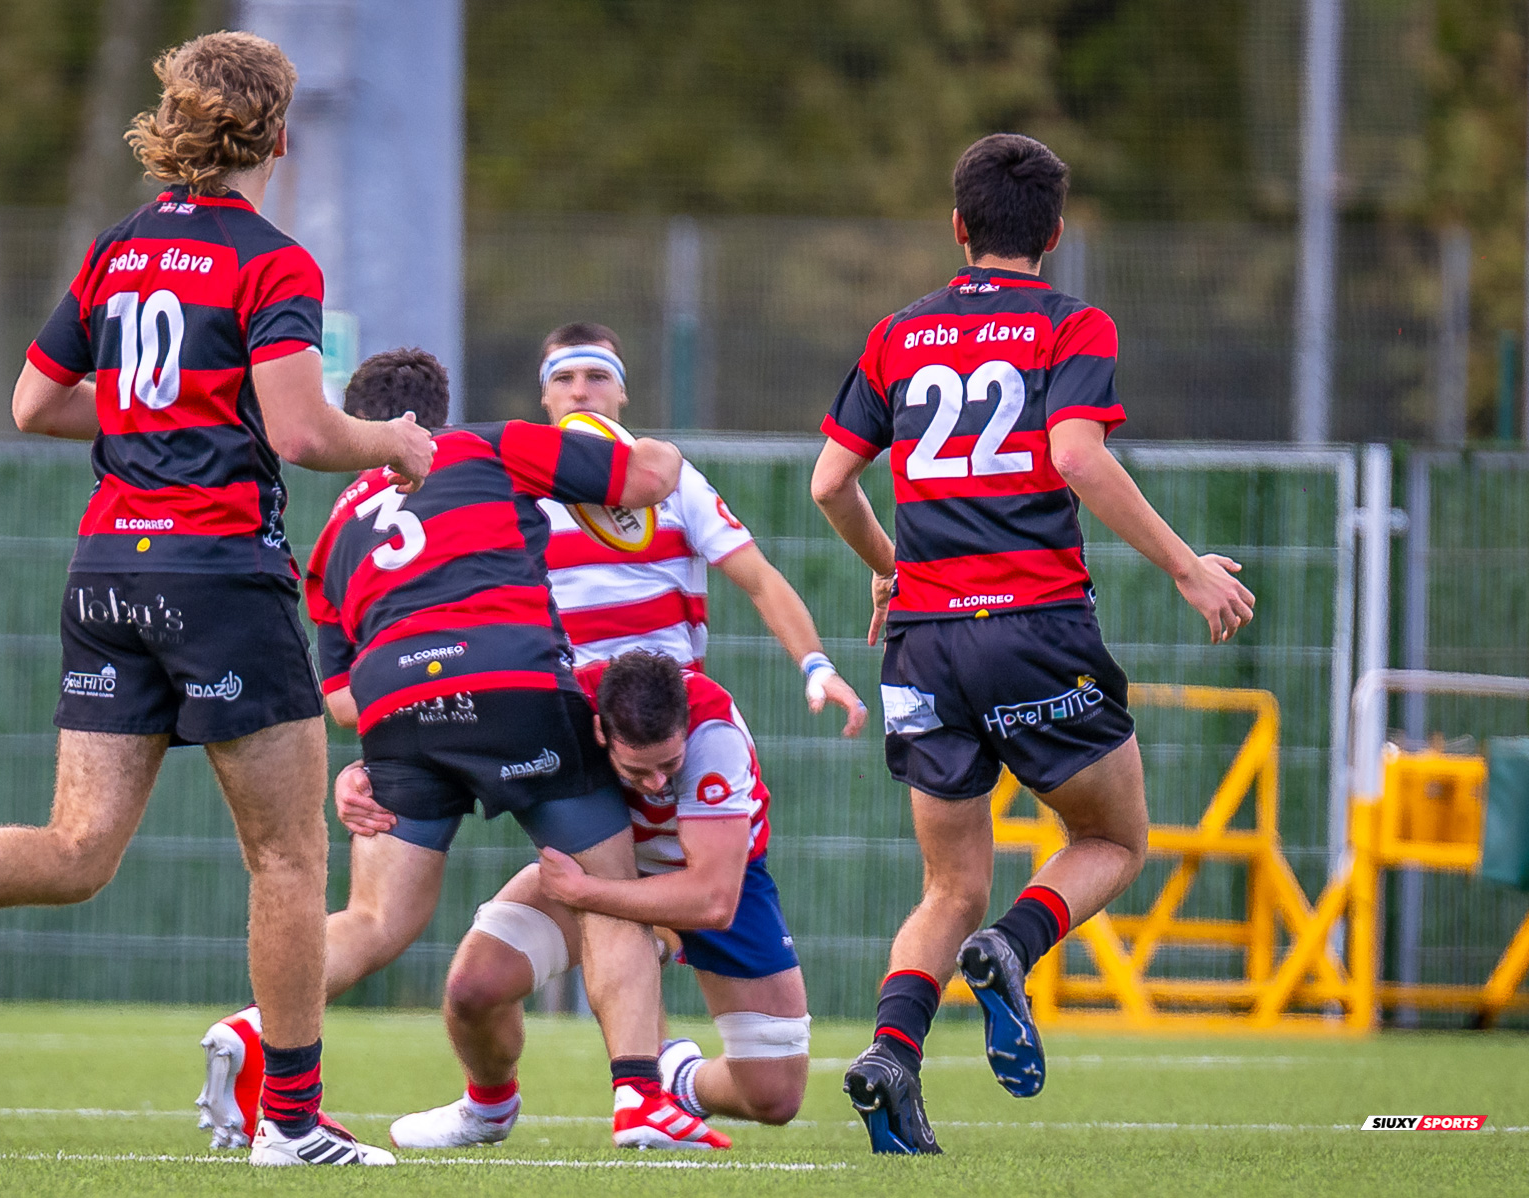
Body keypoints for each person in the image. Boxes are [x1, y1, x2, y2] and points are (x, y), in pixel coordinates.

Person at [0, 32, 432, 1170]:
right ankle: (290, 1124)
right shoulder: (275, 261)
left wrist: (153, 417)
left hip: (108, 573)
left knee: (78, 847)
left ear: (178, 125)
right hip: (219, 576)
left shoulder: (119, 250)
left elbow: (37, 404)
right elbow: (302, 432)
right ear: (278, 135)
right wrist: (395, 440)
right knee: (287, 858)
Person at [809, 133, 1256, 1156]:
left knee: (945, 883)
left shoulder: (896, 333)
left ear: (958, 226)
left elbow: (830, 482)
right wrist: (1187, 566)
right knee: (1111, 841)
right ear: (1054, 234)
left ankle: (889, 1052)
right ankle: (1010, 949)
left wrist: (890, 566)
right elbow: (1074, 454)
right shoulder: (1071, 323)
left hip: (923, 645)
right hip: (1034, 627)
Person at [194, 347, 728, 1152]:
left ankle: (256, 1027)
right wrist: (662, 449)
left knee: (375, 919)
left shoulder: (336, 531)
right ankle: (641, 1099)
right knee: (606, 888)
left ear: (355, 422)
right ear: (433, 415)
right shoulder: (484, 445)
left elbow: (340, 700)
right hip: (513, 681)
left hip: (400, 714)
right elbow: (647, 480)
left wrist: (379, 741)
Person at [327, 650, 806, 1149]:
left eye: (670, 764)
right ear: (600, 732)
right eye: (638, 771)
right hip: (599, 873)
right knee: (474, 990)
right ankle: (487, 1110)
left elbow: (713, 901)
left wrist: (586, 891)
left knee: (774, 1098)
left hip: (711, 884)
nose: (658, 783)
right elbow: (453, 742)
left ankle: (677, 1077)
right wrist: (365, 774)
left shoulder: (714, 735)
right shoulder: (559, 710)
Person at [534, 323, 866, 734]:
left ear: (622, 391)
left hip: (667, 712)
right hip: (570, 712)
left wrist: (817, 668)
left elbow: (760, 579)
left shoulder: (673, 482)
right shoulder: (519, 494)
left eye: (598, 376)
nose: (580, 392)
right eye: (563, 378)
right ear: (545, 395)